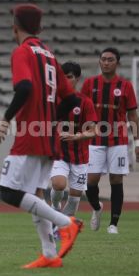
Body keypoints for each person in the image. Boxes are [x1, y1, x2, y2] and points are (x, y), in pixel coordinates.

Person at [0, 4, 83, 268]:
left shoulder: (22, 52)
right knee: (34, 193)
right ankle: (49, 254)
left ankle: (67, 223)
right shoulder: (49, 54)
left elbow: (24, 87)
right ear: (40, 28)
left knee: (9, 192)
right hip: (48, 135)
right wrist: (51, 121)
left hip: (30, 136)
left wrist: (6, 118)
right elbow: (70, 98)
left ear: (15, 27)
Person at [80, 47, 139, 234]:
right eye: (103, 59)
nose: (106, 62)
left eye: (110, 59)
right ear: (99, 62)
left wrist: (137, 144)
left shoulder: (125, 86)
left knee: (116, 180)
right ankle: (97, 208)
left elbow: (133, 115)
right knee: (90, 183)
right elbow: (81, 111)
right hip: (94, 141)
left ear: (118, 63)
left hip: (118, 141)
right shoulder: (90, 84)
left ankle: (113, 224)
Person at [49, 62, 98, 221]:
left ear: (77, 79)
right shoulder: (53, 100)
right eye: (62, 77)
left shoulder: (85, 102)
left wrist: (76, 136)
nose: (65, 80)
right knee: (59, 184)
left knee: (75, 196)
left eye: (69, 77)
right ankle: (55, 207)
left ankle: (62, 225)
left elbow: (94, 130)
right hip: (59, 153)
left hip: (80, 156)